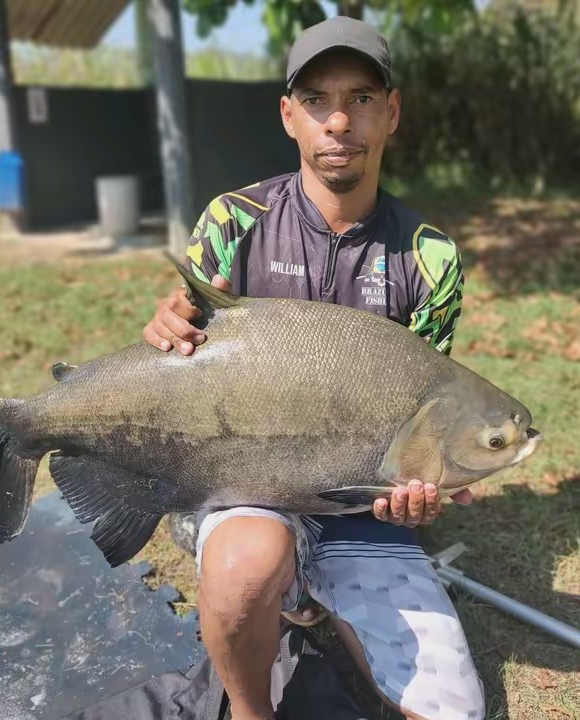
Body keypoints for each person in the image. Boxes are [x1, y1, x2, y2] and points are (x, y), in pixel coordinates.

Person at [143, 16, 485, 720]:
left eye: (361, 98)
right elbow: (181, 361)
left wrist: (418, 487)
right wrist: (167, 330)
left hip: (365, 511)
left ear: (391, 112)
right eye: (316, 100)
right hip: (251, 488)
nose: (338, 121)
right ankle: (251, 703)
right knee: (246, 568)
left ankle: (308, 588)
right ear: (288, 115)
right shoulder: (233, 219)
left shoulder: (430, 257)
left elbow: (427, 411)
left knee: (453, 712)